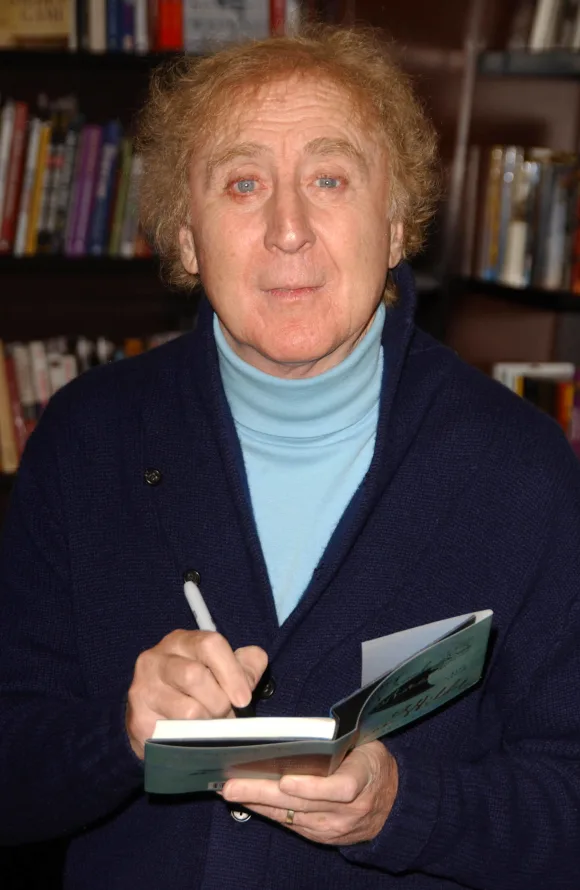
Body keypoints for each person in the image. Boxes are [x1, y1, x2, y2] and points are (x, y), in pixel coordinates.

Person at [1, 24, 580, 890]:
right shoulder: (86, 442)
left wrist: (404, 807)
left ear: (394, 225)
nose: (288, 229)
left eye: (329, 178)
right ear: (188, 240)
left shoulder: (523, 470)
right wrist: (119, 734)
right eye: (242, 183)